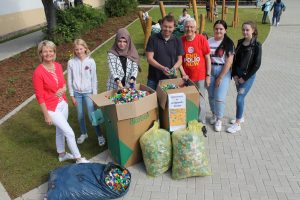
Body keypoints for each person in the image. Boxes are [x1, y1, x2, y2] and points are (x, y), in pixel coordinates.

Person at [32, 40, 89, 164]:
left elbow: (63, 84)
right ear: (40, 53)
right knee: (69, 132)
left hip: (62, 103)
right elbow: (40, 97)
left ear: (54, 52)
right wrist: (46, 115)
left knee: (60, 130)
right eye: (45, 51)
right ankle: (78, 158)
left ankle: (62, 154)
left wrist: (63, 89)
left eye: (51, 51)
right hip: (51, 108)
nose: (48, 53)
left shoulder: (57, 66)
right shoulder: (38, 72)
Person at [67, 39, 106, 146]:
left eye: (80, 49)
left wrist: (94, 95)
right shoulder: (71, 62)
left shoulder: (91, 61)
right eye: (76, 49)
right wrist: (72, 95)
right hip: (77, 94)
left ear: (85, 48)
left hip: (89, 92)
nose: (79, 51)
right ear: (74, 51)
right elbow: (69, 80)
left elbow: (94, 79)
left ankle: (100, 135)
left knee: (92, 115)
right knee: (80, 115)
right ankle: (84, 133)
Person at [227, 21, 262, 133]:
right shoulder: (240, 42)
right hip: (238, 76)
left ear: (253, 30)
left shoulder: (257, 45)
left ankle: (237, 124)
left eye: (247, 30)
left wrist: (244, 78)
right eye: (243, 29)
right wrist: (235, 75)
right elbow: (235, 60)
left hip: (248, 77)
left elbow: (256, 65)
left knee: (240, 98)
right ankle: (240, 117)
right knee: (240, 97)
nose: (245, 32)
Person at [179, 18, 211, 126]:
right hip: (187, 78)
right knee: (188, 101)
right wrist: (183, 74)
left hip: (201, 77)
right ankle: (190, 122)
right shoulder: (180, 40)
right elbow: (178, 60)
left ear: (195, 28)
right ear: (184, 28)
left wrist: (208, 75)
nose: (189, 29)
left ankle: (201, 123)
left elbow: (207, 58)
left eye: (192, 27)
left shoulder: (201, 39)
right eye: (187, 26)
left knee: (201, 101)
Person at [207, 20, 235, 132]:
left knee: (219, 98)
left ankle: (219, 118)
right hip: (210, 69)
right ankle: (213, 114)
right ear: (213, 29)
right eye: (216, 28)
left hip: (223, 70)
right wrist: (207, 74)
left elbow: (229, 62)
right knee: (211, 96)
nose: (218, 31)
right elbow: (206, 57)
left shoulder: (229, 43)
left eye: (221, 29)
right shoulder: (209, 41)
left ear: (225, 30)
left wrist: (220, 77)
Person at [146, 14, 184, 90]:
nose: (167, 29)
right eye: (165, 26)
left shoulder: (177, 40)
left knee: (169, 101)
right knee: (152, 101)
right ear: (161, 25)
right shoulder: (153, 39)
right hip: (153, 79)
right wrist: (162, 68)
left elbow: (180, 60)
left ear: (174, 28)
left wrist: (174, 68)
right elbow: (149, 59)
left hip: (171, 79)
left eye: (170, 27)